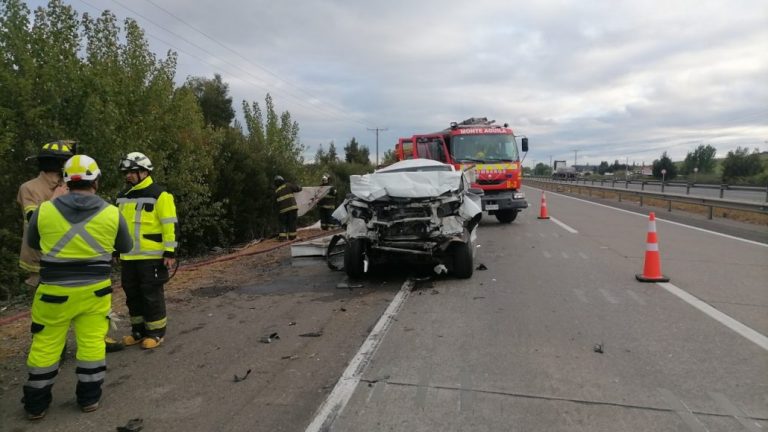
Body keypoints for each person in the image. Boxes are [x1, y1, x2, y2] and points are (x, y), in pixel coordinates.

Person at [22, 155, 132, 420]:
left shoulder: (44, 210)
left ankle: (36, 405)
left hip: (53, 294)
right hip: (95, 292)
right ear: (96, 180)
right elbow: (126, 247)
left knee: (46, 345)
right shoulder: (111, 213)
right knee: (92, 344)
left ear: (66, 181)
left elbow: (34, 243)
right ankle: (89, 399)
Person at [116, 152, 178, 350]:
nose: (128, 176)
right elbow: (117, 226)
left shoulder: (160, 195)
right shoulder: (122, 197)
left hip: (152, 257)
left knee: (151, 295)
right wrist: (116, 250)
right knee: (132, 295)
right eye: (126, 172)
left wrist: (170, 252)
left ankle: (156, 333)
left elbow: (170, 225)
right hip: (128, 257)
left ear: (144, 171)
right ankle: (138, 331)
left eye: (132, 172)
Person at [17, 141, 74, 290]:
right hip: (40, 258)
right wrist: (55, 197)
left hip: (67, 255)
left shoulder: (69, 185)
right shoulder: (29, 188)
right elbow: (34, 219)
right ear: (58, 164)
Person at [274, 175, 301, 240]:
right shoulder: (288, 185)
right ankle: (292, 237)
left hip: (282, 211)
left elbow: (275, 202)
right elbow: (297, 189)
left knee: (283, 223)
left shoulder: (276, 191)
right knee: (292, 222)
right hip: (292, 208)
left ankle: (282, 237)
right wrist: (300, 187)